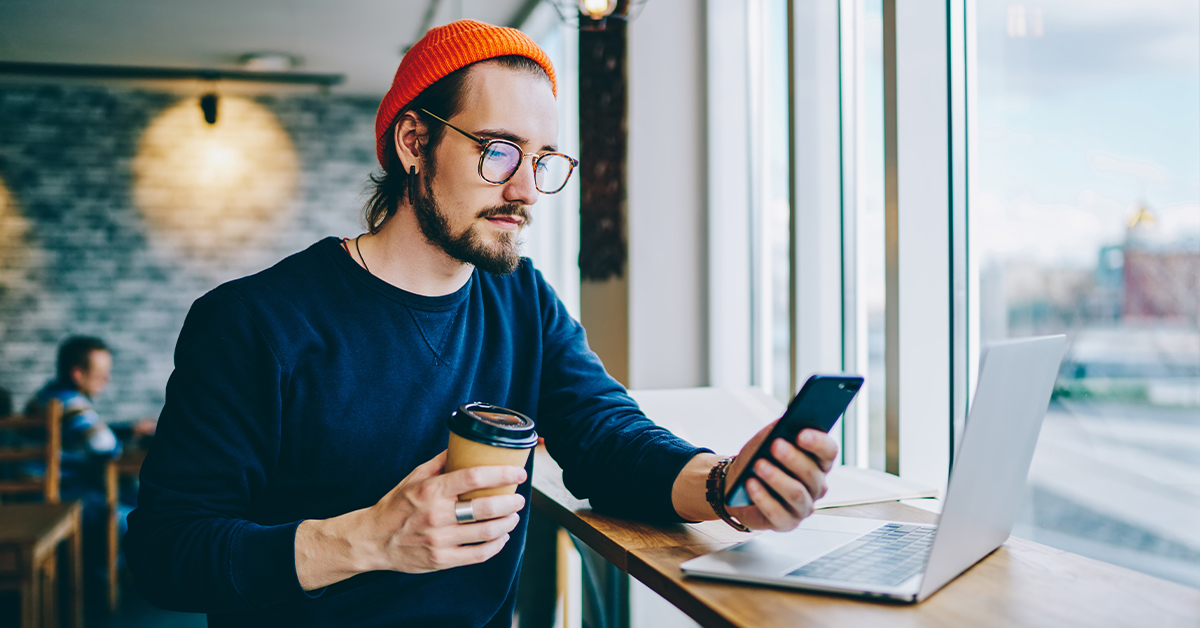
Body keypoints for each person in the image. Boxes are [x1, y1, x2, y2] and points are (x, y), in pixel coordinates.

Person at [125, 20, 838, 627]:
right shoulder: (253, 322)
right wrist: (369, 540)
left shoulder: (521, 298)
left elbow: (607, 437)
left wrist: (725, 485)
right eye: (498, 150)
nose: (526, 189)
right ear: (413, 141)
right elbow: (164, 554)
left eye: (542, 159)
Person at [25, 336, 147, 587]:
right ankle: (105, 578)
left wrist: (127, 430)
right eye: (101, 373)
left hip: (53, 490)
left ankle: (108, 572)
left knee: (132, 499)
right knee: (134, 516)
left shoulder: (50, 396)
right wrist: (126, 438)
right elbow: (105, 446)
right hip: (56, 497)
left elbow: (90, 433)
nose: (107, 379)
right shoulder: (69, 403)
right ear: (78, 374)